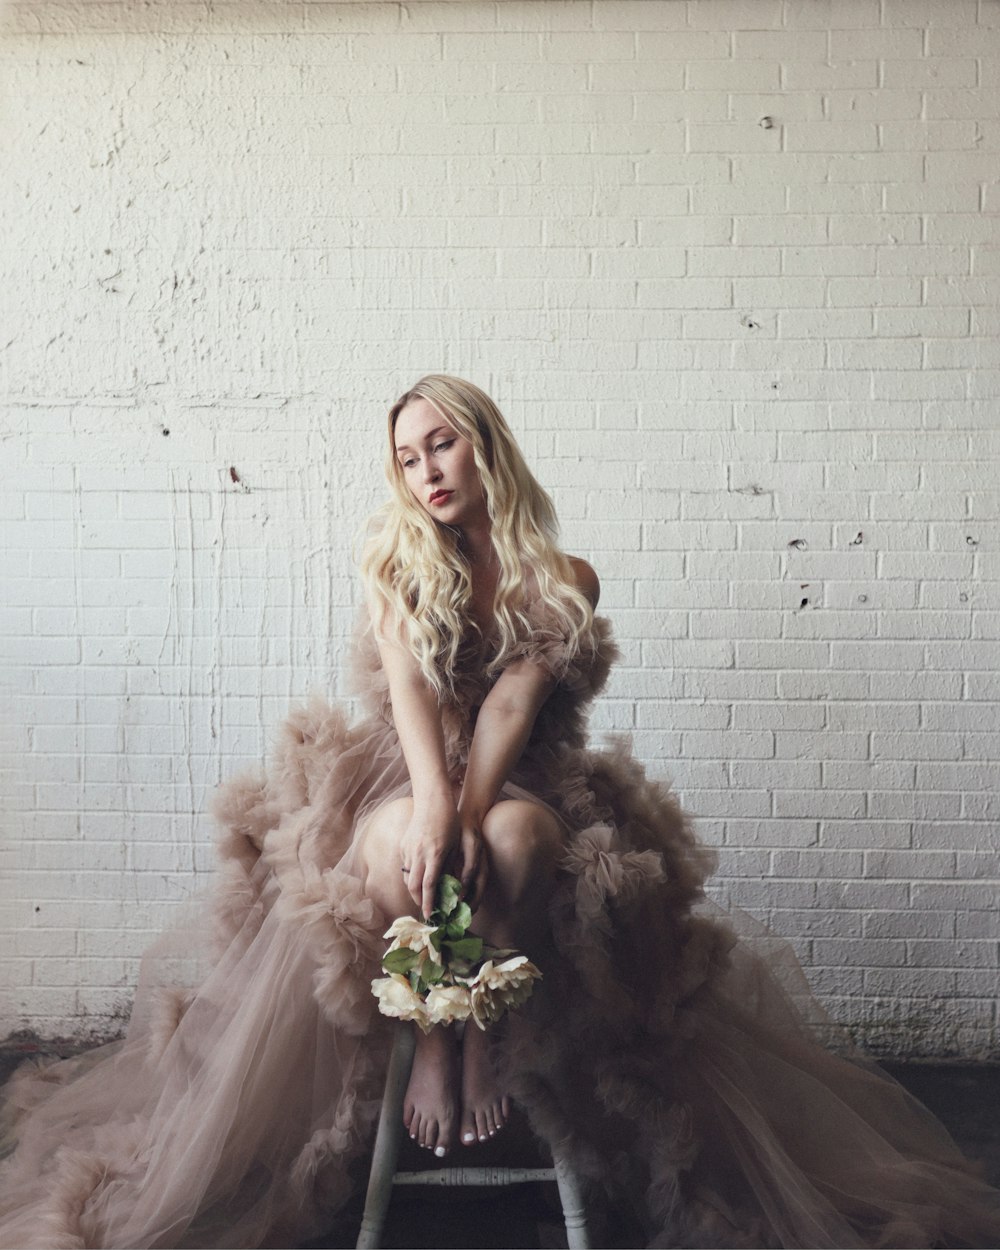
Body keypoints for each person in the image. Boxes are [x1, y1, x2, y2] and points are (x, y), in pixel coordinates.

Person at [1, 373, 999, 1249]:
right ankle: (435, 1039)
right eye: (406, 455)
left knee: (513, 837)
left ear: (484, 443)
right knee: (399, 844)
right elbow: (416, 704)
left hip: (523, 778)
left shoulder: (560, 578)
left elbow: (513, 704)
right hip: (403, 773)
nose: (427, 468)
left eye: (441, 441)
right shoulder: (399, 568)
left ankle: (475, 1036)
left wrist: (472, 810)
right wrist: (437, 807)